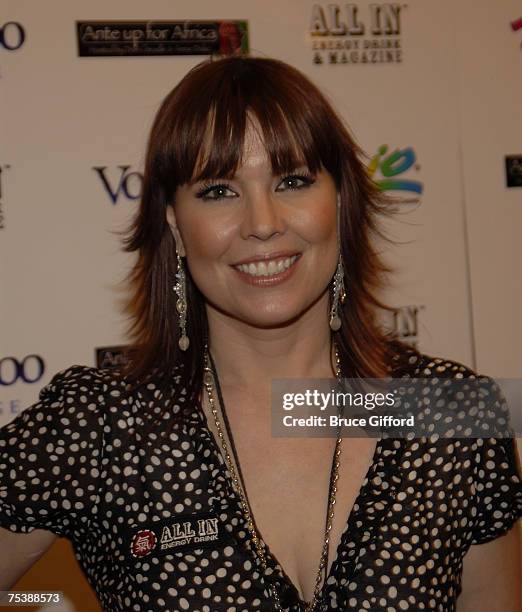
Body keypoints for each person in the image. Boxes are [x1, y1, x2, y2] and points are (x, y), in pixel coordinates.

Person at [0, 55, 520, 612]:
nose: (263, 222)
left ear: (340, 200)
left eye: (293, 180)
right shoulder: (101, 424)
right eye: (219, 191)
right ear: (175, 223)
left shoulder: (450, 413)